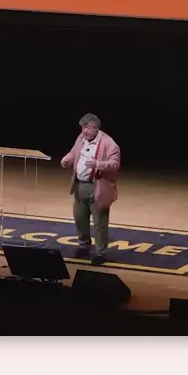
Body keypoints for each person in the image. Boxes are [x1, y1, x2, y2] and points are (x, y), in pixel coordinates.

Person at [59, 113, 121, 265]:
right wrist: (67, 159)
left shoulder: (109, 143)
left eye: (87, 128)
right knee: (80, 219)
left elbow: (115, 164)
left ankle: (101, 253)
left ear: (96, 128)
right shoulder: (81, 138)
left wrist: (98, 164)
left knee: (100, 223)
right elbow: (74, 152)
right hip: (80, 185)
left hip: (98, 187)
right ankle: (84, 246)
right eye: (82, 127)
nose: (84, 131)